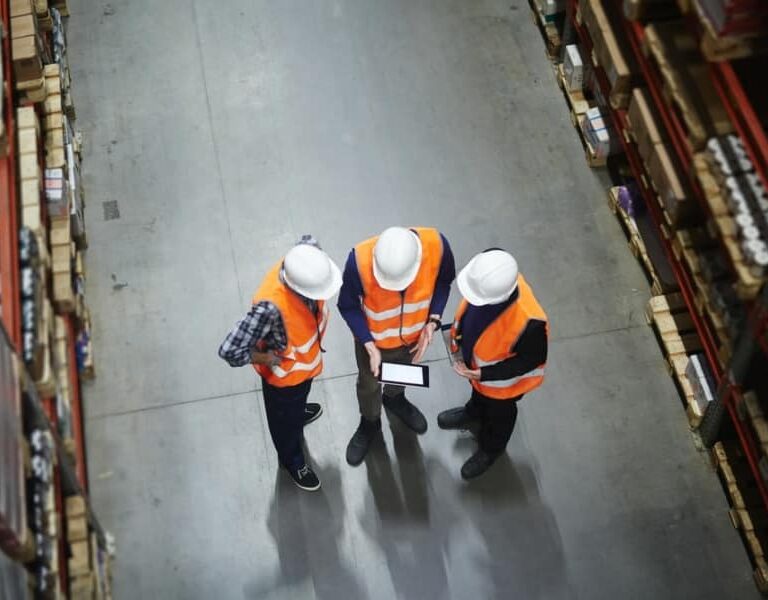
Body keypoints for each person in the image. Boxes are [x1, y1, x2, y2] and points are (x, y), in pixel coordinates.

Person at [218, 236, 342, 491]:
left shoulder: (308, 251)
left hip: (305, 369)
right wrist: (264, 358)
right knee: (283, 422)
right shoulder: (270, 308)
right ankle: (291, 460)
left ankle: (297, 414)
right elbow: (229, 349)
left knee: (296, 405)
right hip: (284, 380)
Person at [338, 226, 455, 466]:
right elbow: (347, 305)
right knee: (369, 385)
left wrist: (433, 321)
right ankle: (369, 421)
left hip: (414, 337)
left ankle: (395, 398)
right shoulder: (358, 261)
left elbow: (444, 281)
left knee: (402, 374)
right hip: (373, 343)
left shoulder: (437, 247)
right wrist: (368, 344)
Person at [439, 249, 548, 480]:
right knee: (479, 397)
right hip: (477, 371)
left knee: (500, 414)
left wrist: (484, 373)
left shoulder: (531, 323)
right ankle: (474, 412)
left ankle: (492, 448)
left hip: (501, 386)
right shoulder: (491, 276)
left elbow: (530, 360)